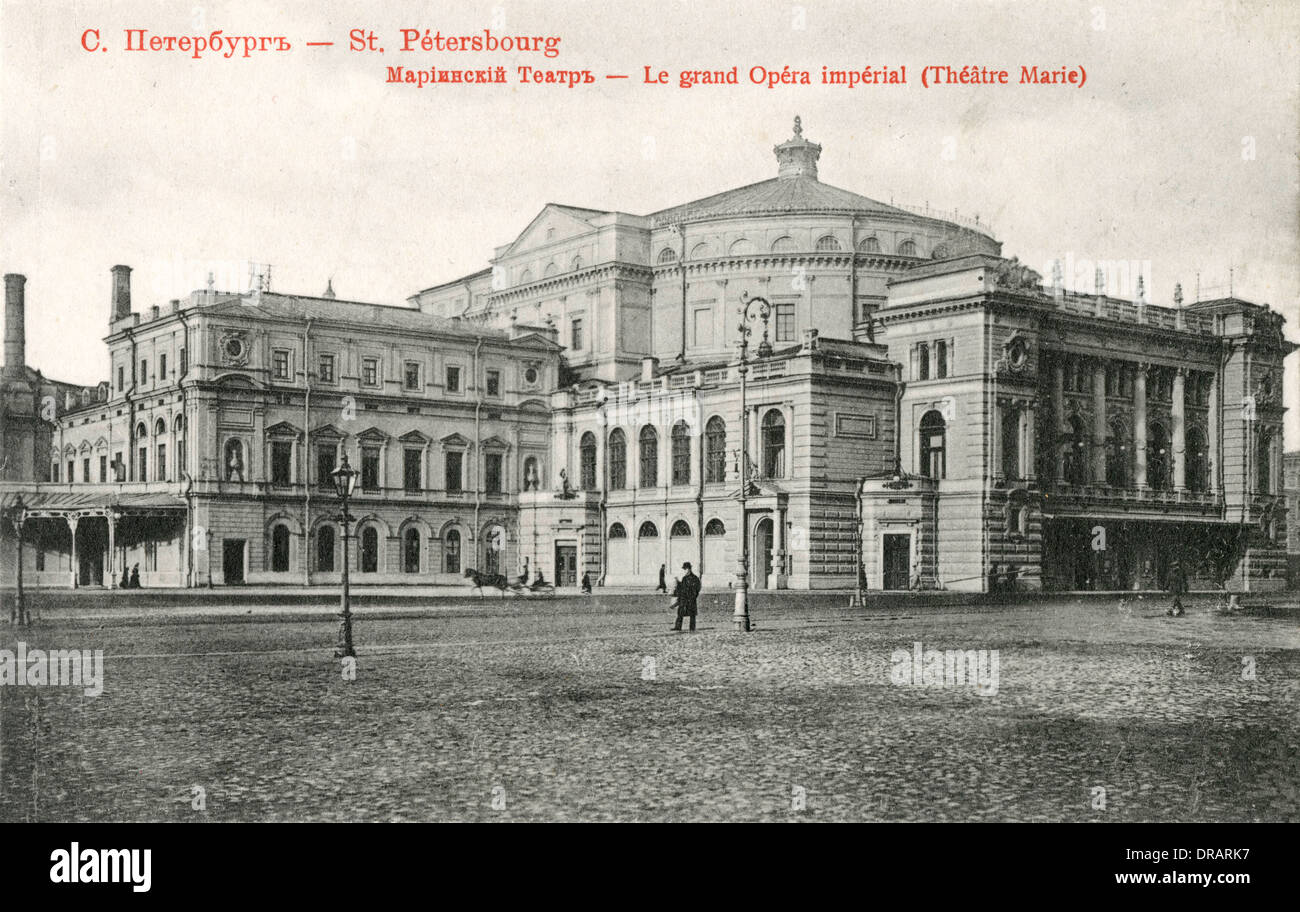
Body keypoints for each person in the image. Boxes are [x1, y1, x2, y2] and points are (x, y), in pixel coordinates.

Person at [671, 561, 701, 631]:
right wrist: (678, 582)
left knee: (692, 614)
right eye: (684, 569)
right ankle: (678, 627)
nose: (684, 571)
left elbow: (698, 588)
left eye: (685, 569)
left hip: (691, 598)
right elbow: (682, 588)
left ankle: (692, 628)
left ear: (689, 569)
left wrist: (694, 596)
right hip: (684, 598)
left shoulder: (695, 578)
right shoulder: (684, 578)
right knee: (680, 613)